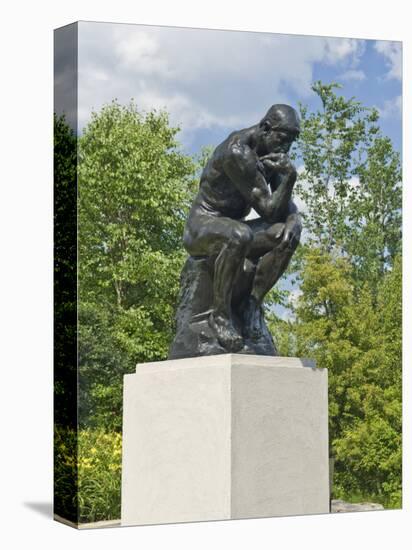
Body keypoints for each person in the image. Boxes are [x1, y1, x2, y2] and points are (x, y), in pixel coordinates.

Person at [183, 104, 302, 352]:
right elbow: (268, 209)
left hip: (236, 227)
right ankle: (220, 316)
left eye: (292, 141)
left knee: (285, 234)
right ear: (266, 128)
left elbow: (283, 208)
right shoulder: (237, 152)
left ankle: (252, 304)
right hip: (202, 225)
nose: (287, 147)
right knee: (240, 235)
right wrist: (290, 178)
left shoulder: (272, 152)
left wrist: (295, 220)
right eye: (283, 138)